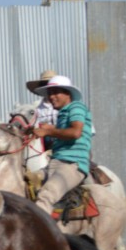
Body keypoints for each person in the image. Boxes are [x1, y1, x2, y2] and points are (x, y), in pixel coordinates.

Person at [27, 75, 94, 215]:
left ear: (67, 94)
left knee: (46, 195)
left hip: (72, 164)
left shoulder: (76, 107)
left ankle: (40, 235)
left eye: (56, 92)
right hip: (55, 162)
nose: (51, 96)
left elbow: (76, 132)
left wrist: (49, 131)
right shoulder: (62, 113)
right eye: (50, 93)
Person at [23, 70, 58, 173]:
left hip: (62, 141)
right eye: (46, 85)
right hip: (41, 144)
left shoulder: (65, 106)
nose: (49, 88)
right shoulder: (36, 108)